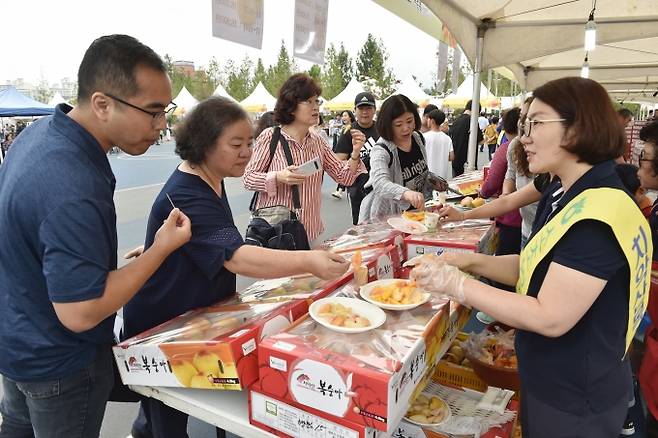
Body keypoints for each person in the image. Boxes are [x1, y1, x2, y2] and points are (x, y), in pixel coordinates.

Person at [412, 77, 650, 437]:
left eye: (536, 123)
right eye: (525, 124)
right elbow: (539, 266)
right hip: (557, 379)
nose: (524, 136)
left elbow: (550, 316)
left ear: (577, 128)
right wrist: (470, 262)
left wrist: (456, 285)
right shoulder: (571, 193)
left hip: (575, 397)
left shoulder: (597, 214)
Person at [0, 35, 192, 438]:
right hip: (60, 366)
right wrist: (159, 250)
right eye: (153, 112)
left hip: (17, 343)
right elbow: (81, 312)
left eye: (166, 111)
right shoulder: (73, 184)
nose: (162, 126)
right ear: (103, 104)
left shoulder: (38, 137)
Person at [123, 97, 349, 438]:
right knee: (167, 416)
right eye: (236, 144)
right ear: (204, 144)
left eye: (250, 142)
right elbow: (236, 256)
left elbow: (202, 239)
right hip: (163, 321)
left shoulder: (211, 177)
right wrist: (308, 260)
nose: (246, 151)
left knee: (181, 405)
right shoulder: (188, 192)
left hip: (195, 311)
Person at [244, 73, 366, 243]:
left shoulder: (318, 142)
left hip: (310, 232)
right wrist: (278, 177)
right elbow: (248, 178)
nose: (315, 107)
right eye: (308, 101)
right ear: (291, 105)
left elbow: (343, 177)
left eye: (317, 101)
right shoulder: (270, 137)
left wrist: (355, 153)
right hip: (277, 233)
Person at [358, 94, 447, 223]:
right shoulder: (381, 150)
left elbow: (418, 173)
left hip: (415, 215)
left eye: (410, 121)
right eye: (398, 124)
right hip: (387, 220)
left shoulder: (417, 138)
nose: (406, 128)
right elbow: (380, 183)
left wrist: (433, 181)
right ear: (388, 125)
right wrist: (406, 193)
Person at [334, 92, 380, 224]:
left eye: (368, 108)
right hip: (358, 187)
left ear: (374, 110)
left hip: (381, 185)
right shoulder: (348, 131)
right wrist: (356, 156)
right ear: (355, 110)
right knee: (361, 224)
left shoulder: (382, 128)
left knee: (382, 223)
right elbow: (339, 161)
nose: (365, 112)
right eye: (361, 108)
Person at [449, 99, 483, 176]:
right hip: (468, 161)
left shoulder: (456, 120)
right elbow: (480, 140)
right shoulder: (472, 121)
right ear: (477, 110)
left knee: (456, 183)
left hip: (456, 159)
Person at [332, 110, 356, 199]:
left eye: (345, 115)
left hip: (351, 155)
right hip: (343, 154)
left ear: (350, 117)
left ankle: (340, 190)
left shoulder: (352, 128)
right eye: (343, 116)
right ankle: (340, 190)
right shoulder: (344, 127)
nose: (343, 118)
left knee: (346, 172)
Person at [423, 109, 454, 180]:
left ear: (432, 121)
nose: (427, 120)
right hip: (442, 176)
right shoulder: (447, 138)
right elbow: (452, 157)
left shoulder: (424, 137)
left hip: (428, 175)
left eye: (428, 119)